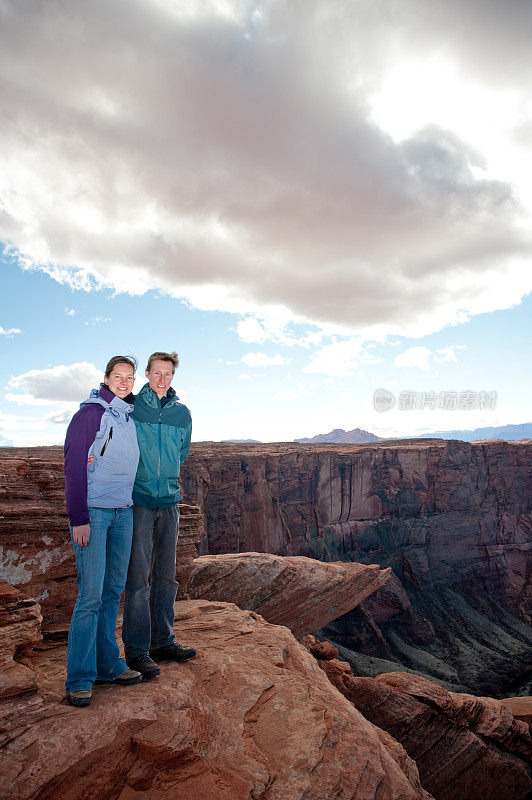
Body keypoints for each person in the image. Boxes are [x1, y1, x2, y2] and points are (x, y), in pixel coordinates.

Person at [63, 355, 142, 706]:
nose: (124, 382)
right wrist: (78, 517)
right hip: (93, 513)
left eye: (129, 377)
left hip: (123, 511)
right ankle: (79, 677)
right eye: (118, 376)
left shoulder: (127, 417)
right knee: (90, 596)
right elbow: (73, 468)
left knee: (112, 592)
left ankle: (109, 663)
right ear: (107, 378)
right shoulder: (90, 414)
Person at [122, 351, 196, 678]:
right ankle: (137, 651)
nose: (162, 378)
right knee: (138, 579)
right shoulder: (133, 407)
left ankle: (162, 640)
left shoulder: (182, 414)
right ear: (148, 374)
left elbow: (182, 453)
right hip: (138, 499)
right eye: (157, 373)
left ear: (172, 377)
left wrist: (166, 480)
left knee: (166, 576)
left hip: (168, 501)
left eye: (168, 373)